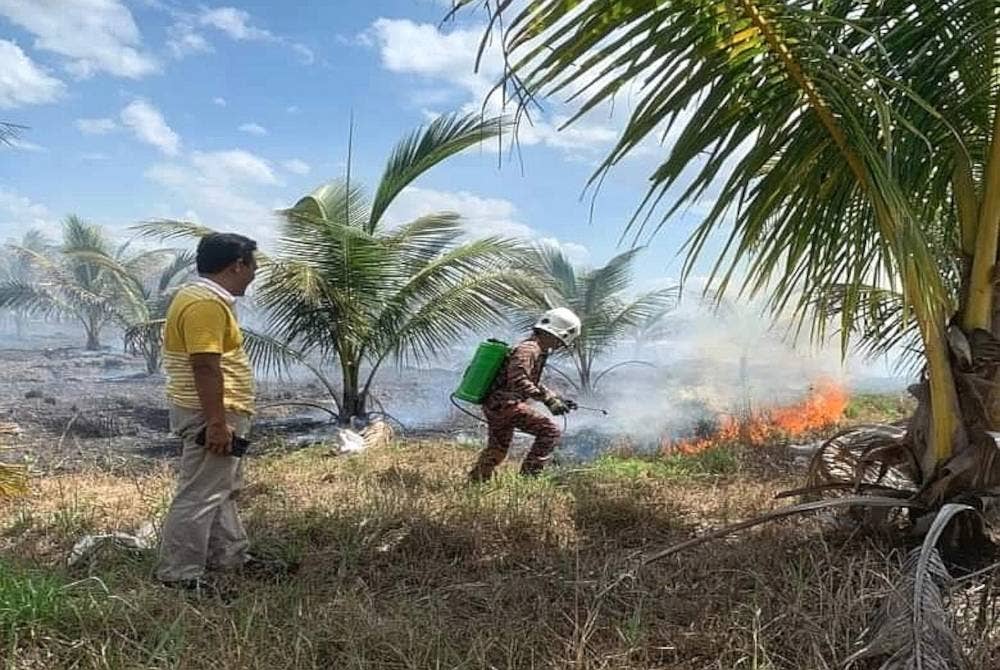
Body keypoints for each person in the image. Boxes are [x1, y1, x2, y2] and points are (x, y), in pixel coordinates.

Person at [155, 232, 283, 590]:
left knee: (219, 488)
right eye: (253, 265)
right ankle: (179, 574)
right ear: (237, 265)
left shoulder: (201, 298)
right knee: (199, 492)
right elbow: (205, 366)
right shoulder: (205, 305)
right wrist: (216, 422)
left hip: (215, 410)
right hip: (211, 412)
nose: (254, 273)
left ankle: (231, 558)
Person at [468, 307, 582, 482]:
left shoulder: (534, 348)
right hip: (506, 405)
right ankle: (528, 479)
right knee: (549, 431)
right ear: (557, 334)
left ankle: (476, 481)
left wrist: (556, 398)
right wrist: (547, 400)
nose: (560, 346)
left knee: (498, 449)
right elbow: (519, 380)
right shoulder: (529, 350)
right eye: (562, 341)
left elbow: (531, 381)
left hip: (497, 405)